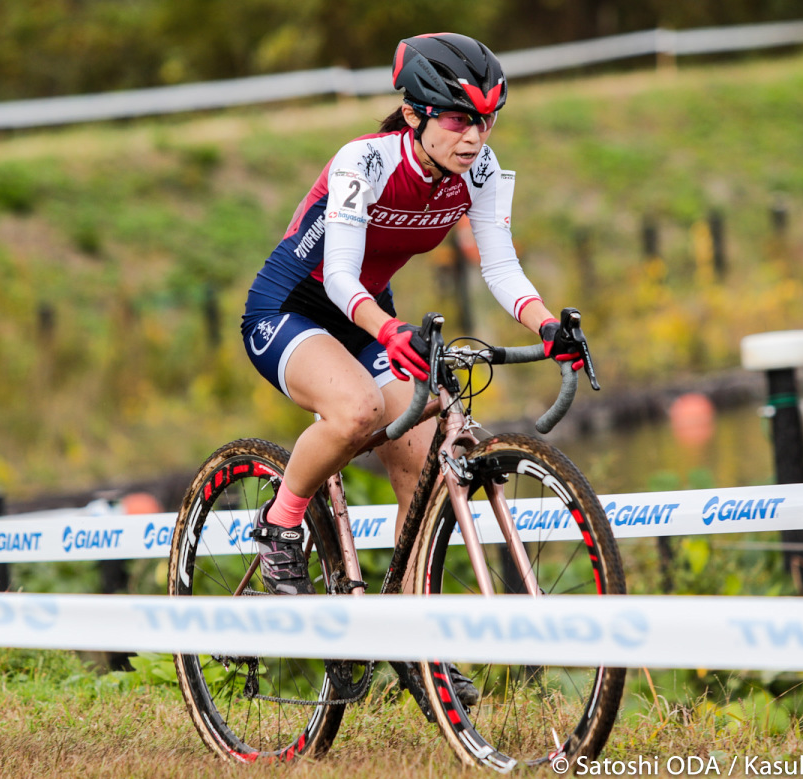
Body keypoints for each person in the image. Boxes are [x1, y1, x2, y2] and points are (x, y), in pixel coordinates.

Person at [240, 32, 585, 598]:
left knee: (425, 460)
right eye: (457, 120)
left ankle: (415, 644)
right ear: (412, 114)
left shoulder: (480, 170)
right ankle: (279, 523)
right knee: (357, 411)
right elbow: (341, 275)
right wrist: (388, 329)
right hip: (293, 307)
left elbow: (499, 267)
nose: (474, 137)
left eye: (487, 120)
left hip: (370, 316)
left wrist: (548, 325)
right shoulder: (366, 160)